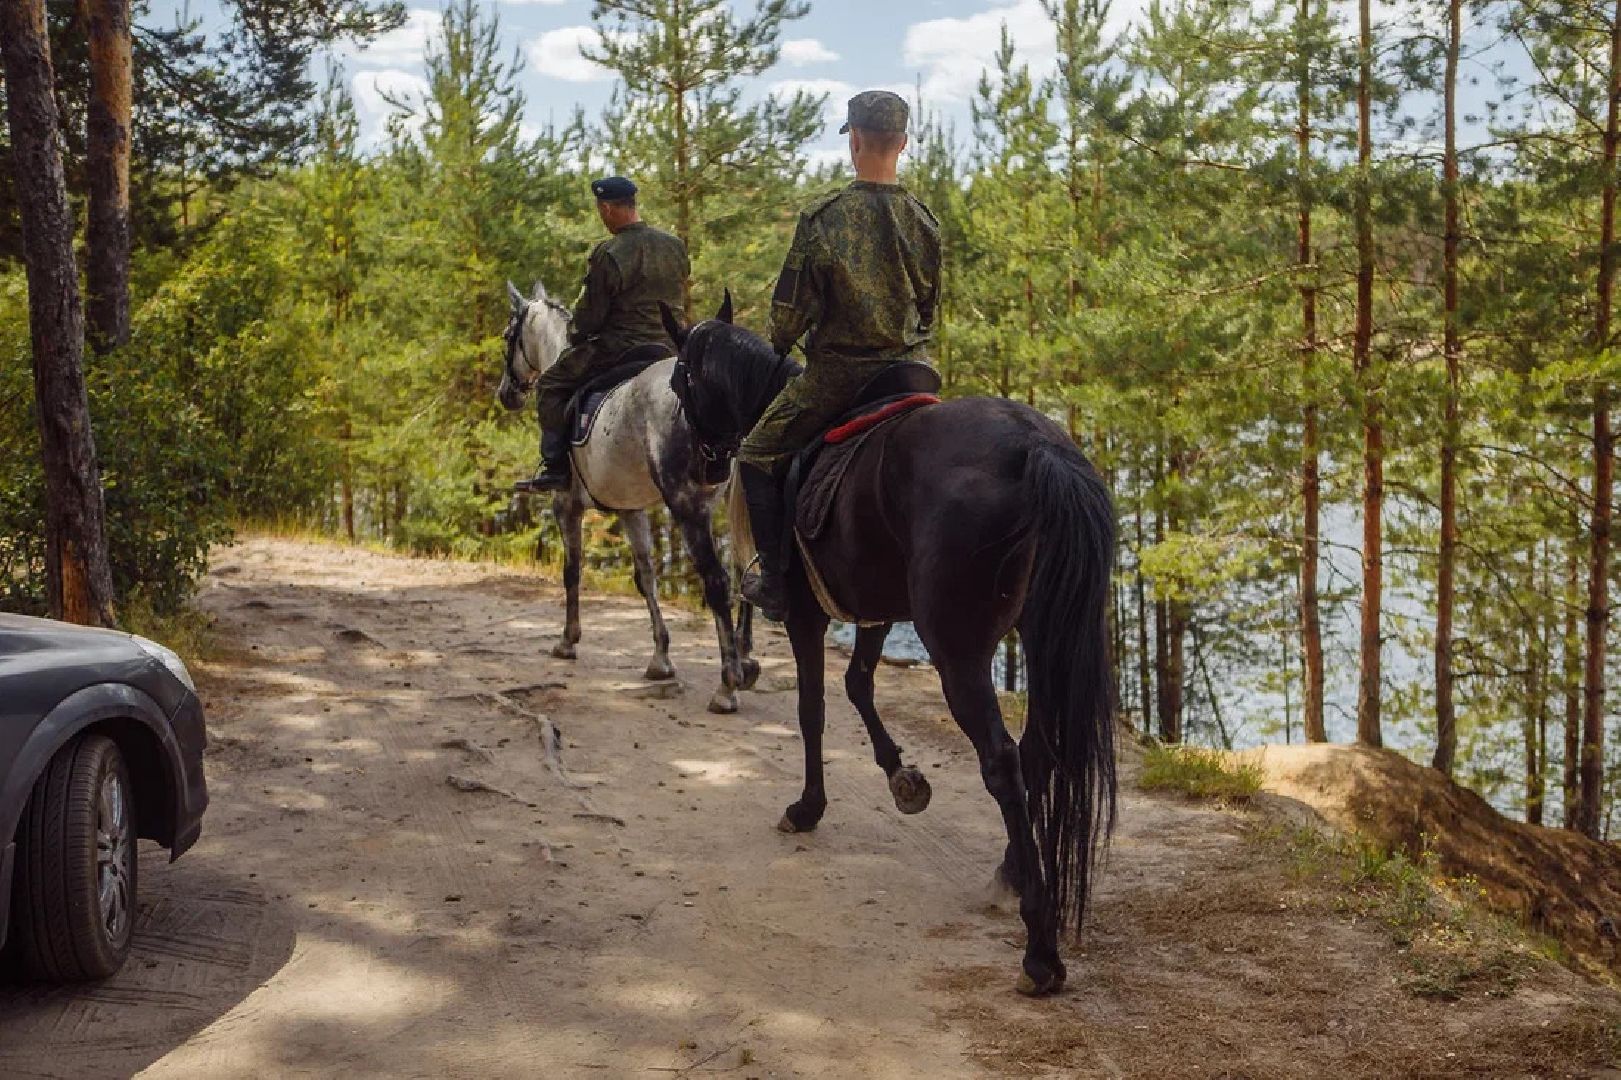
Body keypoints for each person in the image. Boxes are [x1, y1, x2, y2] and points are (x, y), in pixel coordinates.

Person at [737, 90, 941, 621]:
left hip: (838, 378)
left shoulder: (823, 218)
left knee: (755, 454)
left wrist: (782, 345)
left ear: (853, 141)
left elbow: (786, 322)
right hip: (913, 374)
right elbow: (929, 311)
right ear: (902, 142)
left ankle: (777, 583)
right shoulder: (925, 221)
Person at [515, 176, 690, 493]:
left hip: (619, 349)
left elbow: (588, 321)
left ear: (608, 208)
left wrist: (575, 333)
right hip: (670, 349)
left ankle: (555, 468)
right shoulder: (675, 247)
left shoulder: (609, 253)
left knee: (551, 385)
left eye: (600, 210)